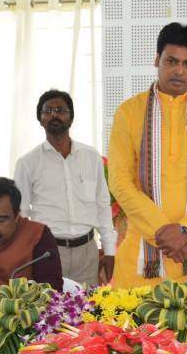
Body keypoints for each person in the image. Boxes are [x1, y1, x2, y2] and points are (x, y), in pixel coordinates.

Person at [108, 22, 187, 294]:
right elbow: (120, 181)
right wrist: (162, 231)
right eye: (171, 61)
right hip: (144, 256)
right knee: (138, 334)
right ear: (157, 60)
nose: (179, 70)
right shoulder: (128, 113)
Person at [14, 90, 116, 286]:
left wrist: (109, 251)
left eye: (61, 110)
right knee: (49, 310)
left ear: (71, 117)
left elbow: (103, 206)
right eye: (48, 111)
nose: (54, 115)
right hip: (48, 251)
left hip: (87, 251)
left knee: (87, 310)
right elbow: (21, 217)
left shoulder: (91, 156)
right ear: (40, 119)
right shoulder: (28, 163)